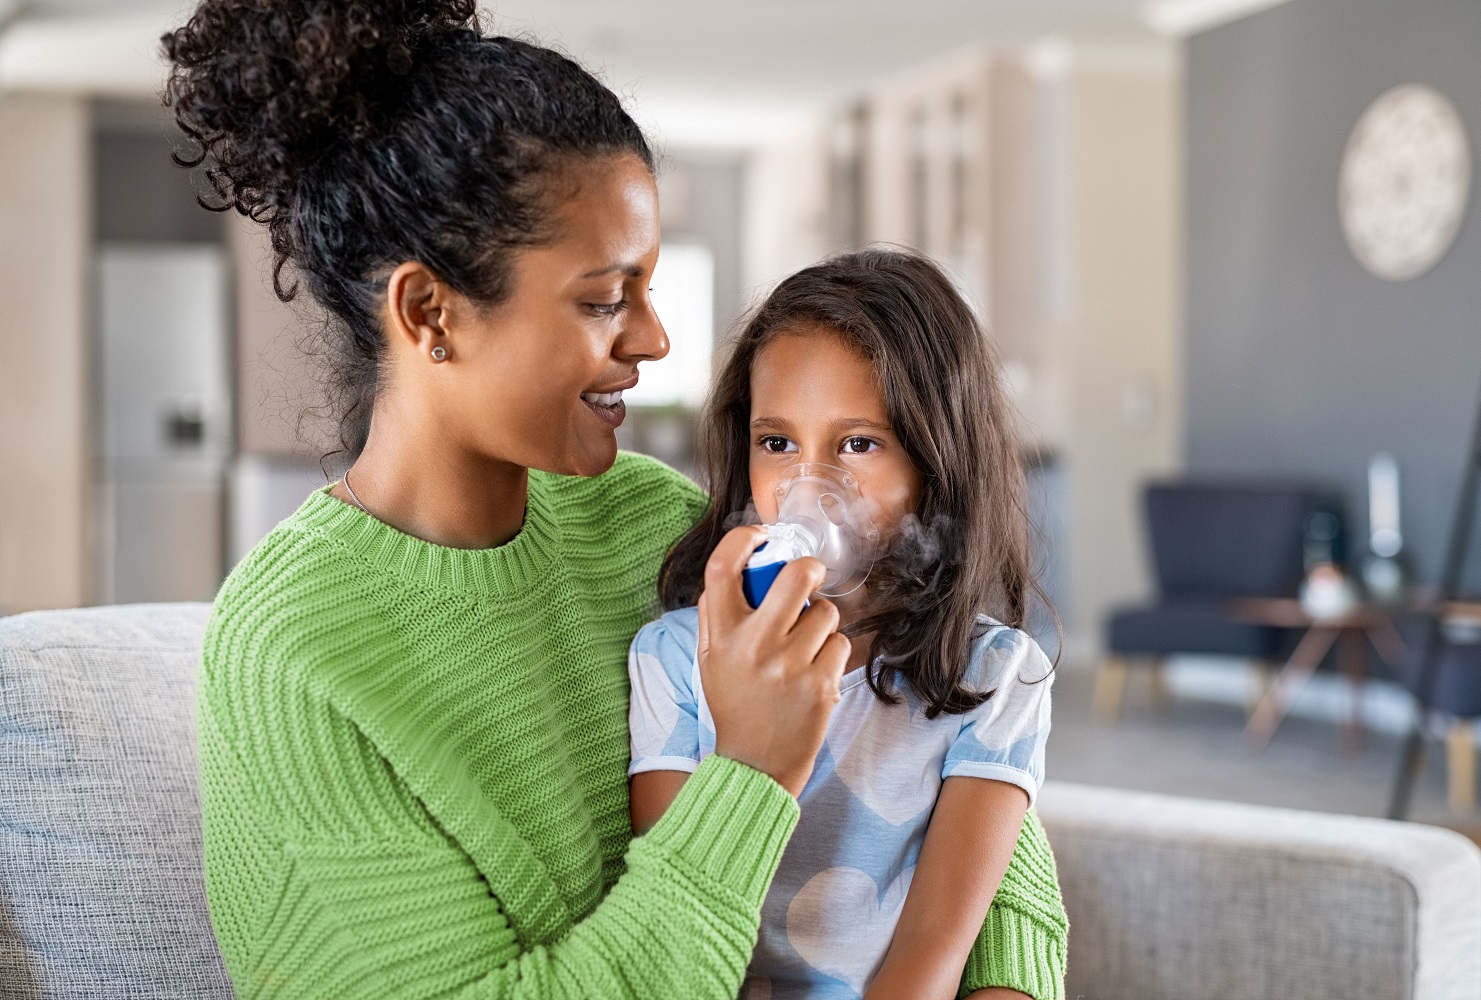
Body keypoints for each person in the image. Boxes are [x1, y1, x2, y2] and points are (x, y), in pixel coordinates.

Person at [162, 0, 1067, 995]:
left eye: (648, 288)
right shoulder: (293, 650)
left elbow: (944, 751)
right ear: (430, 312)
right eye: (605, 299)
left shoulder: (646, 522)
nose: (654, 341)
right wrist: (752, 776)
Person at [631, 249, 1066, 1000]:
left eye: (858, 444)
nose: (808, 485)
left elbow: (934, 948)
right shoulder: (678, 657)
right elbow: (677, 922)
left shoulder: (996, 678)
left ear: (936, 461)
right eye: (777, 443)